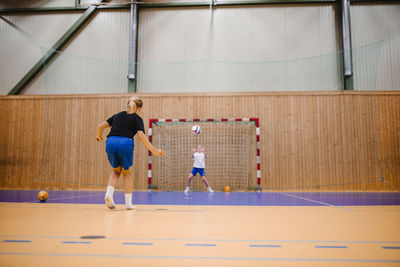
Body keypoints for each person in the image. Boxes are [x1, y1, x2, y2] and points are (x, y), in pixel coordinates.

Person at [96, 97, 165, 210]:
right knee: (127, 173)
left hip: (111, 142)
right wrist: (154, 150)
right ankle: (128, 204)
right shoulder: (138, 119)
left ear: (127, 106)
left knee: (115, 171)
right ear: (139, 109)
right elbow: (141, 136)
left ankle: (109, 194)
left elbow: (100, 126)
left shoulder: (118, 115)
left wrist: (98, 135)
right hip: (125, 143)